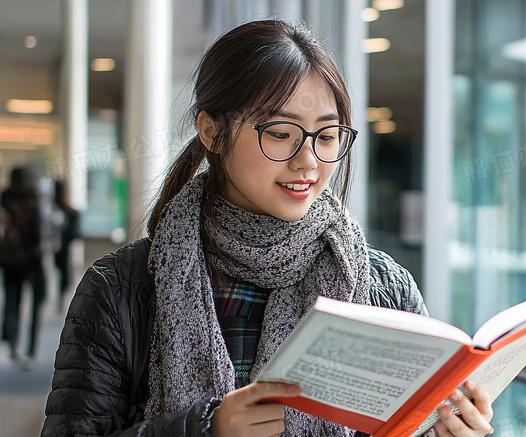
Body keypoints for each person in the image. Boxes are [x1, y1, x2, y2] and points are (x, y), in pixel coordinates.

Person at [41, 20, 494, 437]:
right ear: (212, 132)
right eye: (280, 133)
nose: (309, 162)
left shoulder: (384, 288)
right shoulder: (121, 287)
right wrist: (206, 429)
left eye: (327, 135)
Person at [1, 166, 46, 369]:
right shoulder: (33, 198)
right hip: (32, 259)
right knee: (36, 303)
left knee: (12, 301)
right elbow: (38, 231)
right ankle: (31, 349)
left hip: (10, 259)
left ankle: (12, 345)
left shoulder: (5, 197)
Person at [50, 179, 80, 313]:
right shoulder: (67, 212)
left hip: (61, 248)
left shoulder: (56, 210)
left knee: (63, 275)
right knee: (64, 274)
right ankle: (61, 298)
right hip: (63, 248)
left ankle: (60, 298)